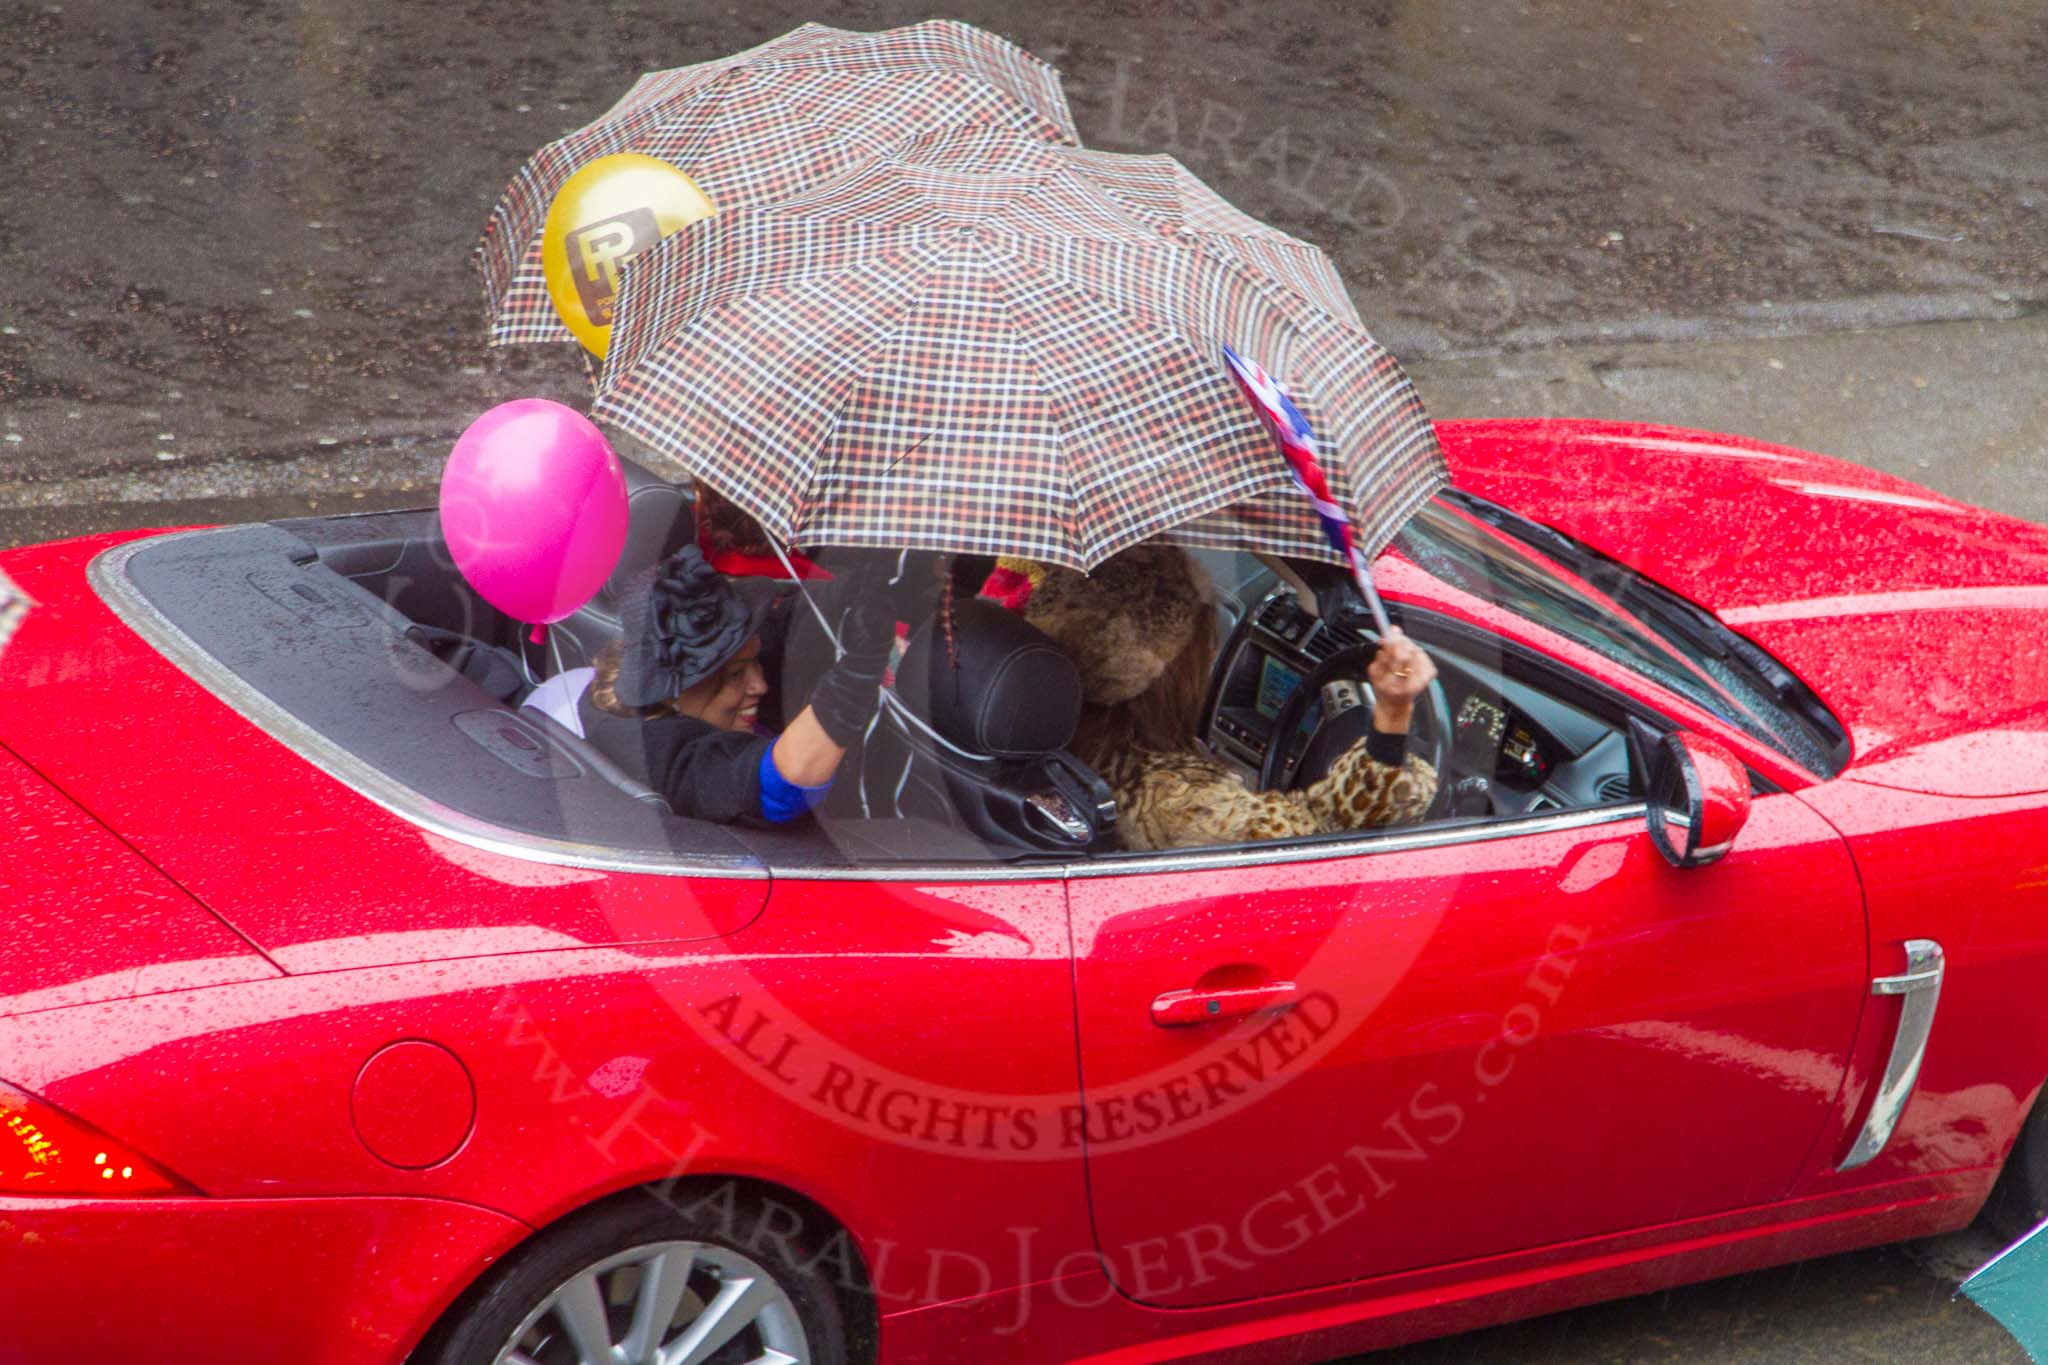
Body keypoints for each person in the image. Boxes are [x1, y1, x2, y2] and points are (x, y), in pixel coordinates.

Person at [1021, 544, 1439, 852]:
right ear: (1167, 673)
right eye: (1204, 639)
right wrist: (1392, 714)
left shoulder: (1030, 723)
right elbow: (1331, 837)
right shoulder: (1181, 803)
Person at [522, 545, 896, 825]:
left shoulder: (647, 690)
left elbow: (787, 627)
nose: (759, 686)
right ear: (674, 691)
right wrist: (859, 671)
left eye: (754, 664)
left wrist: (867, 582)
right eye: (736, 676)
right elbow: (786, 784)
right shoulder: (663, 756)